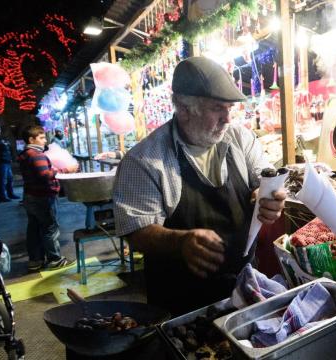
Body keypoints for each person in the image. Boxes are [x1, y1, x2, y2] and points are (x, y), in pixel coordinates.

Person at [113, 57, 286, 316]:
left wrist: (267, 196)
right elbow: (136, 231)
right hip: (181, 300)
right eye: (218, 108)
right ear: (184, 108)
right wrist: (180, 242)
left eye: (229, 108)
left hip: (244, 285)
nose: (227, 119)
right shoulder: (145, 160)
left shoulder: (240, 138)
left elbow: (262, 179)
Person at [18, 125, 77, 271]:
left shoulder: (26, 153)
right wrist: (65, 170)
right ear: (31, 139)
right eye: (41, 137)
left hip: (30, 195)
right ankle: (55, 259)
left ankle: (35, 260)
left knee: (34, 228)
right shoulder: (36, 154)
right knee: (49, 228)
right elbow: (45, 175)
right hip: (41, 196)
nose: (45, 141)